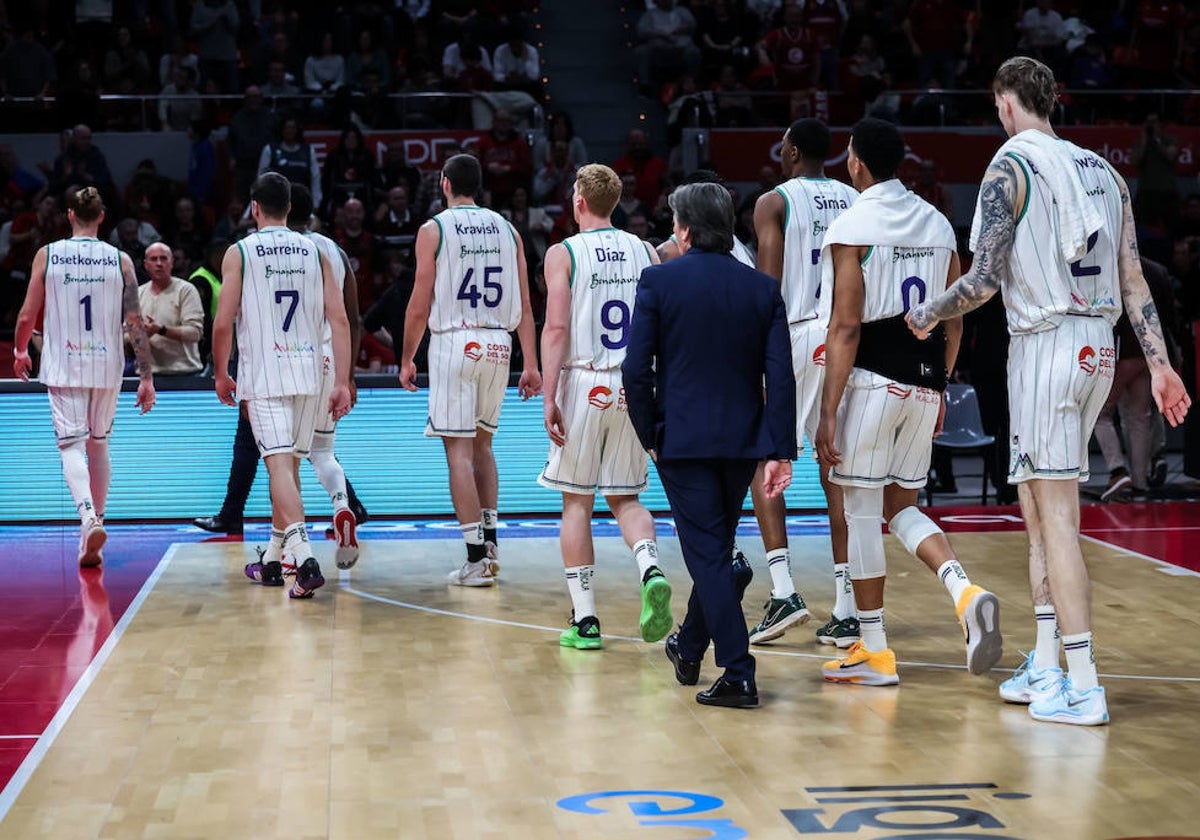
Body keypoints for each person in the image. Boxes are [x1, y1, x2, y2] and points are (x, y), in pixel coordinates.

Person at [906, 57, 1191, 725]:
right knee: (1037, 507)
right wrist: (1159, 362)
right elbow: (1133, 280)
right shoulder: (1105, 172)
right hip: (1099, 347)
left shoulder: (1011, 165)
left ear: (1007, 106)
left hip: (1048, 347)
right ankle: (1045, 661)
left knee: (1058, 520)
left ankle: (1085, 682)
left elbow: (981, 282)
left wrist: (925, 314)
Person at [814, 117, 1001, 688]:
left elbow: (845, 327)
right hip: (924, 384)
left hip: (870, 379)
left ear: (857, 164)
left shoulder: (854, 224)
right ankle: (962, 589)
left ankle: (874, 651)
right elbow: (954, 322)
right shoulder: (940, 223)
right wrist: (939, 387)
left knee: (863, 512)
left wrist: (827, 410)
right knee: (903, 506)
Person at [623, 182, 797, 709]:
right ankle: (689, 643)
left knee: (707, 555)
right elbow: (781, 376)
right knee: (714, 550)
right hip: (743, 441)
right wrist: (779, 448)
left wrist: (650, 432)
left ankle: (739, 671)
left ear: (685, 230)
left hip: (684, 440)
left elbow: (635, 369)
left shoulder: (658, 280)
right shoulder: (761, 289)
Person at [538, 163, 672, 650]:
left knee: (576, 501)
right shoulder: (647, 251)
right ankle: (650, 567)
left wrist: (550, 396)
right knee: (628, 498)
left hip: (586, 381)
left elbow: (555, 329)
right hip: (635, 385)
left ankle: (587, 620)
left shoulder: (564, 252)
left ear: (578, 201)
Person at [400, 154, 542, 586]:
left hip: (455, 342)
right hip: (499, 343)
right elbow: (526, 303)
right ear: (478, 186)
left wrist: (407, 356)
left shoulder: (434, 229)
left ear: (444, 184)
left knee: (458, 454)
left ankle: (476, 559)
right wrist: (531, 363)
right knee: (484, 447)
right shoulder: (509, 229)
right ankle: (491, 543)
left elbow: (420, 300)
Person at [212, 172, 353, 599]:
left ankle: (305, 558)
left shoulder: (240, 252)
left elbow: (223, 322)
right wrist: (343, 380)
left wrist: (221, 372)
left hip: (266, 375)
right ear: (290, 208)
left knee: (278, 467)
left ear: (255, 208)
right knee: (288, 469)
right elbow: (341, 319)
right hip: (311, 373)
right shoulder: (316, 250)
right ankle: (275, 560)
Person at [753, 119, 860, 647]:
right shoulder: (857, 197)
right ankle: (845, 607)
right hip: (844, 336)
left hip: (792, 334)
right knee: (835, 466)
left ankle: (783, 590)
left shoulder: (774, 202)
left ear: (791, 151)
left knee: (767, 459)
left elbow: (768, 291)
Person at [11, 187, 156, 567]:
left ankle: (88, 516)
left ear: (70, 215)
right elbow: (135, 322)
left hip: (64, 363)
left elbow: (27, 315)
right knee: (99, 444)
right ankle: (96, 526)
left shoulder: (49, 254)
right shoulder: (121, 259)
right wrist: (146, 376)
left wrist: (20, 350)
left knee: (71, 447)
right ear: (102, 217)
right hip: (107, 366)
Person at [287, 184, 363, 567]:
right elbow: (351, 315)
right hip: (331, 355)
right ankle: (340, 505)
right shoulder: (334, 250)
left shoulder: (269, 249)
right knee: (323, 451)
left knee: (285, 461)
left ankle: (291, 551)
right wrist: (347, 377)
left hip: (288, 358)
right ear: (311, 213)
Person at [137, 243, 204, 376]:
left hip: (184, 373)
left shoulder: (186, 290)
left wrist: (161, 330)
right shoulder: (138, 294)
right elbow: (124, 338)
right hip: (146, 374)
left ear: (172, 262)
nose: (159, 263)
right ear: (146, 264)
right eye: (153, 259)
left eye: (163, 258)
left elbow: (195, 333)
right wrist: (142, 335)